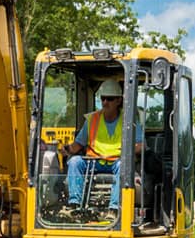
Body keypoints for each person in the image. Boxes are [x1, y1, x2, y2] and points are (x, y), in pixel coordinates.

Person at [60, 78, 141, 220]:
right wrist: (66, 149)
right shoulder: (92, 119)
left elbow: (141, 145)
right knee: (74, 162)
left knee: (123, 166)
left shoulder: (129, 120)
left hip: (116, 162)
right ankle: (74, 206)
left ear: (118, 101)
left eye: (109, 99)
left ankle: (114, 209)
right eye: (103, 98)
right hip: (94, 162)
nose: (105, 102)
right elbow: (78, 144)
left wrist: (126, 152)